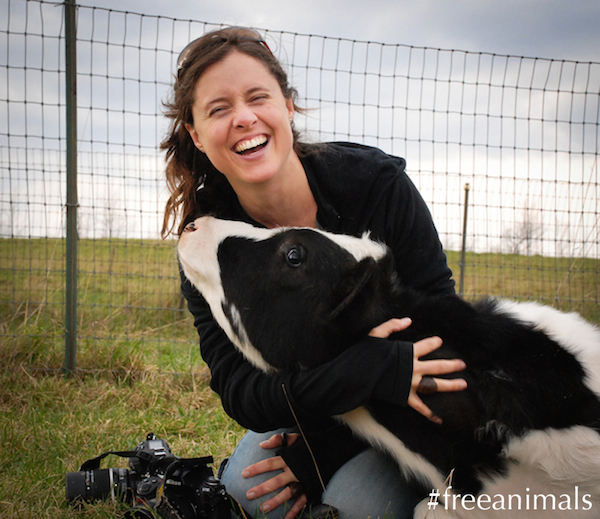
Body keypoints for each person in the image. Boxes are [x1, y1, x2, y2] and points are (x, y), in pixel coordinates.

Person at [161, 26, 467, 519]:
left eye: (257, 97)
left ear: (287, 105)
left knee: (352, 508)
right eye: (218, 109)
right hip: (310, 416)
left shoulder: (376, 186)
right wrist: (362, 372)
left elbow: (437, 331)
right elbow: (241, 390)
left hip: (407, 414)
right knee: (245, 489)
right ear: (196, 134)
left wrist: (325, 459)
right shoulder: (212, 247)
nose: (243, 118)